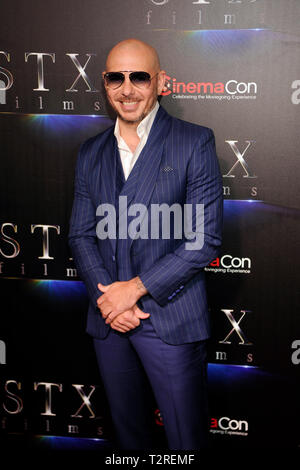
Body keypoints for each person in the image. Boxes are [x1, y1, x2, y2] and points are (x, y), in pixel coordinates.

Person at [69, 38, 223, 450]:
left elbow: (203, 240)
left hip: (169, 318)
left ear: (158, 82)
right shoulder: (90, 153)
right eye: (115, 77)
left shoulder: (194, 141)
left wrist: (132, 291)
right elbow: (81, 235)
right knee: (127, 440)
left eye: (139, 76)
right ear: (104, 84)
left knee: (185, 440)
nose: (127, 88)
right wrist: (109, 299)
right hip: (109, 321)